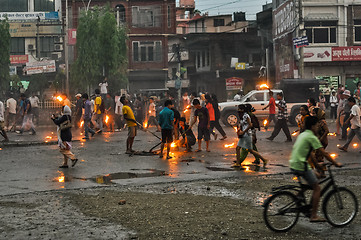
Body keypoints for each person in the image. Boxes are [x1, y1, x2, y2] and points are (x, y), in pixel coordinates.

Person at [290, 116, 342, 222]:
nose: (319, 126)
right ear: (313, 126)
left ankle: (298, 196)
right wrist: (335, 163)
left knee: (316, 176)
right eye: (317, 125)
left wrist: (317, 166)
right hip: (301, 165)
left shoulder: (303, 134)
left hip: (295, 163)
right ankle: (314, 215)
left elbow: (310, 153)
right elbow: (324, 153)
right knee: (317, 188)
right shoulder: (312, 137)